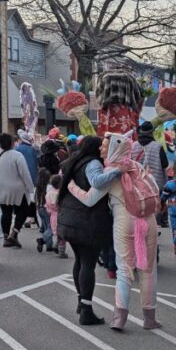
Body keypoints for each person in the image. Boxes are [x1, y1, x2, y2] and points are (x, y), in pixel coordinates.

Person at [67, 133, 163, 331]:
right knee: (148, 271)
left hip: (125, 221)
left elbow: (90, 199)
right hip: (149, 220)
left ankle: (119, 318)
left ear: (113, 149)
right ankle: (149, 318)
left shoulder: (111, 172)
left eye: (104, 146)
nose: (101, 150)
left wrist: (71, 186)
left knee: (124, 271)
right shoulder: (136, 166)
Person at [56, 136, 121, 326]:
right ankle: (86, 309)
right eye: (100, 145)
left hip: (69, 218)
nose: (103, 148)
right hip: (87, 220)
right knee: (87, 264)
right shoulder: (92, 163)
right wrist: (117, 172)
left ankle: (80, 301)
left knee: (79, 261)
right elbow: (97, 182)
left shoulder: (73, 162)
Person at [0, 133, 35, 249]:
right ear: (12, 143)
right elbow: (25, 173)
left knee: (6, 212)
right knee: (23, 210)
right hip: (16, 188)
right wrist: (30, 188)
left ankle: (6, 237)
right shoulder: (17, 155)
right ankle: (14, 232)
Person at [34, 139, 60, 254]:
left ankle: (48, 245)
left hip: (39, 205)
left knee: (45, 225)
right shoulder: (55, 160)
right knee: (51, 226)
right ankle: (43, 240)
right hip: (48, 203)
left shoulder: (41, 159)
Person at [135, 121, 169, 191]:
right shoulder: (158, 146)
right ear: (152, 133)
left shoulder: (133, 145)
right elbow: (165, 164)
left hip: (137, 184)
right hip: (154, 185)